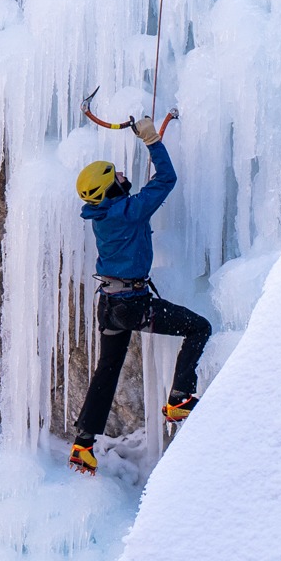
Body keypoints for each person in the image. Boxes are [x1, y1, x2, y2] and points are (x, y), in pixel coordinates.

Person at [69, 115, 212, 474]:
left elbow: (139, 196)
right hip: (133, 306)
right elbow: (166, 180)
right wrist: (152, 142)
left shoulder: (104, 214)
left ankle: (83, 443)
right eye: (115, 175)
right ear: (111, 188)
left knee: (108, 369)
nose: (121, 176)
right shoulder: (129, 211)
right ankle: (179, 397)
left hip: (109, 307)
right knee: (199, 328)